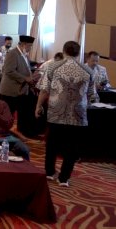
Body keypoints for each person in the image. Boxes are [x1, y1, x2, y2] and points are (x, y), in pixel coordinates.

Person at [36, 41, 97, 187]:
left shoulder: (53, 67)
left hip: (56, 112)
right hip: (77, 114)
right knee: (72, 147)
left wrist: (38, 106)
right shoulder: (88, 70)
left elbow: (44, 90)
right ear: (79, 53)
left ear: (63, 51)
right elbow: (91, 95)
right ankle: (64, 178)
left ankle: (49, 172)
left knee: (52, 144)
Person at [0, 35, 35, 129]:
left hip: (20, 90)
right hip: (10, 90)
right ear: (24, 44)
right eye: (30, 46)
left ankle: (21, 130)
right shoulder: (12, 53)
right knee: (7, 115)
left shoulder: (24, 54)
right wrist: (25, 78)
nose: (30, 48)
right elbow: (9, 71)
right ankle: (3, 132)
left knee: (22, 112)